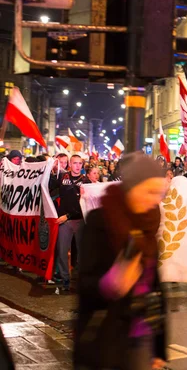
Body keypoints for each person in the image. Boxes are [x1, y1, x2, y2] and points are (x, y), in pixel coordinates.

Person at [74, 153, 168, 370]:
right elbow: (84, 286)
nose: (155, 199)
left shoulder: (149, 221)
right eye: (149, 191)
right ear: (133, 187)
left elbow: (156, 288)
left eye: (159, 193)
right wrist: (112, 283)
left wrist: (159, 346)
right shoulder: (101, 221)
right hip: (105, 339)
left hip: (142, 338)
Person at [51, 155, 91, 291]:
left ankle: (79, 279)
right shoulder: (62, 178)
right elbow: (47, 188)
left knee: (81, 253)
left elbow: (87, 204)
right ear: (70, 164)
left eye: (80, 163)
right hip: (64, 222)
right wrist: (50, 169)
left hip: (79, 221)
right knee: (62, 251)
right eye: (75, 163)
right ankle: (65, 279)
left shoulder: (86, 181)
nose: (78, 166)